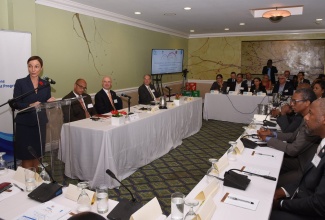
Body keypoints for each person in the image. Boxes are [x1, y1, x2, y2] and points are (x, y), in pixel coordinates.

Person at [270, 98, 325, 220]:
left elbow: (319, 204)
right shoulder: (322, 144)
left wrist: (281, 204)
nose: (306, 117)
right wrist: (282, 191)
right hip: (303, 197)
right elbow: (308, 180)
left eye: (311, 113)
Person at [257, 88, 320, 186]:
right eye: (291, 101)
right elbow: (293, 136)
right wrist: (272, 133)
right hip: (300, 160)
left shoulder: (312, 122)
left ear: (307, 103)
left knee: (271, 183)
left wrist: (267, 139)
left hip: (304, 168)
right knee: (267, 161)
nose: (291, 104)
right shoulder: (306, 116)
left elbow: (293, 149)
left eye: (295, 101)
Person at [13, 56, 55, 169]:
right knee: (27, 156)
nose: (33, 69)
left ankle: (36, 182)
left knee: (37, 155)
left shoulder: (45, 84)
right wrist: (29, 105)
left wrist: (49, 102)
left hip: (40, 123)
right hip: (25, 125)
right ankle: (27, 182)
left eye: (36, 66)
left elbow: (45, 103)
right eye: (30, 66)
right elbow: (16, 103)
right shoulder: (20, 82)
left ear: (41, 68)